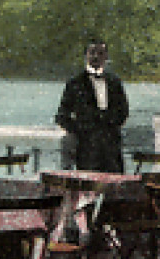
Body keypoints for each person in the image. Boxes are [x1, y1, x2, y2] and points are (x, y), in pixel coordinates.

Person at [55, 39, 129, 172]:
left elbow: (123, 111)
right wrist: (80, 131)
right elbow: (61, 116)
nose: (96, 56)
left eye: (100, 53)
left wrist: (110, 126)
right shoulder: (75, 83)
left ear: (106, 57)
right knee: (87, 186)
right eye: (92, 52)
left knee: (114, 184)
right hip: (86, 146)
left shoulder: (115, 82)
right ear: (86, 55)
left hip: (111, 145)